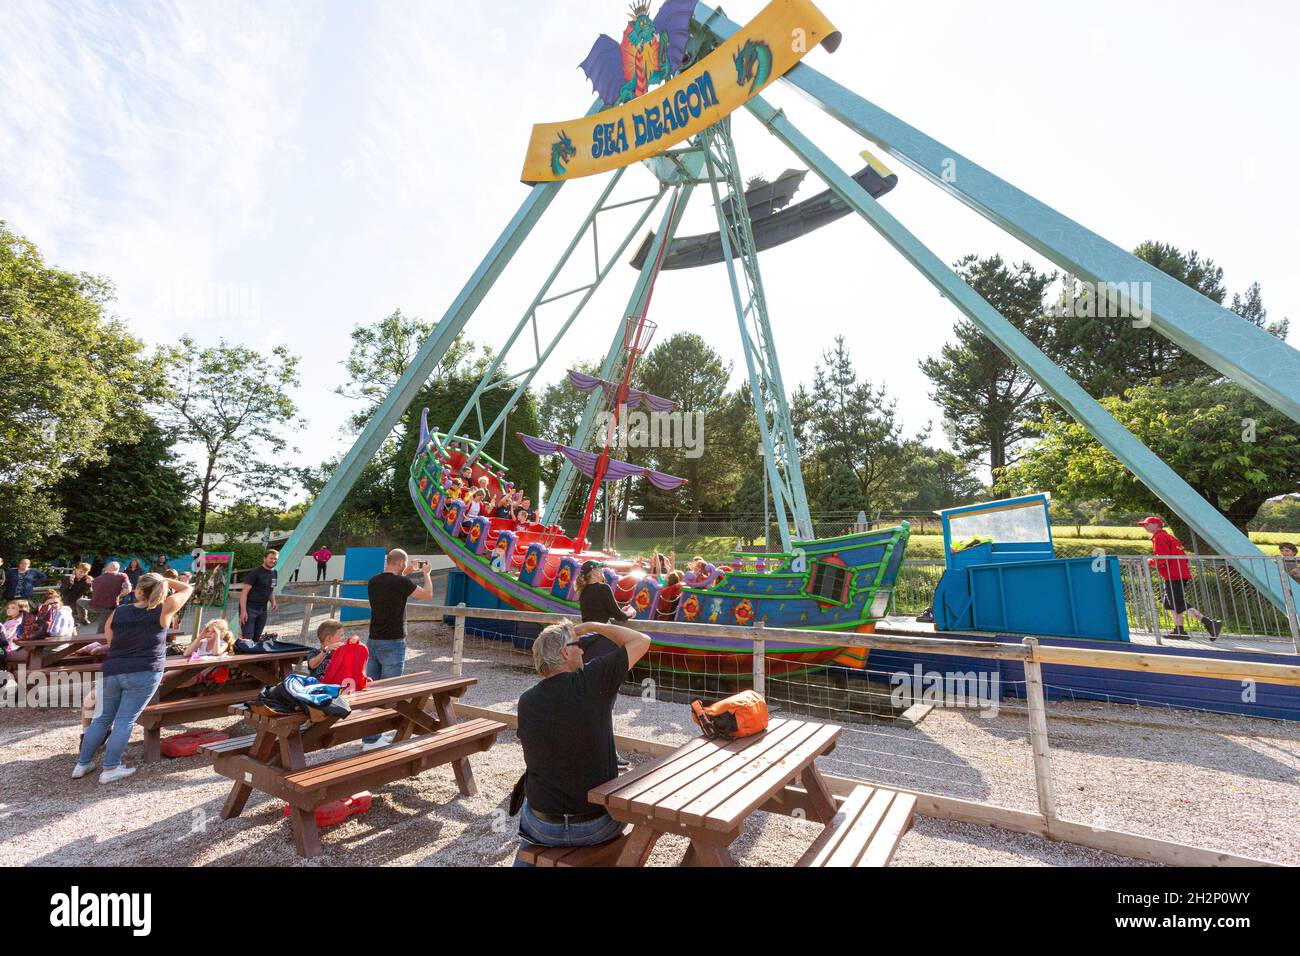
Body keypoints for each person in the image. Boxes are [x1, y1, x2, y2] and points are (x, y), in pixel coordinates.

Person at [514, 619, 650, 865]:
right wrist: (594, 626)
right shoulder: (593, 681)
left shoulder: (526, 701)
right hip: (596, 825)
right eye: (578, 644)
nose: (583, 650)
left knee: (528, 808)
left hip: (544, 826)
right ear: (565, 652)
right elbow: (641, 641)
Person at [72, 572, 193, 783]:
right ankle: (110, 768)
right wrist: (164, 580)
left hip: (114, 668)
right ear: (160, 590)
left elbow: (110, 637)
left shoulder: (120, 611)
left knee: (101, 718)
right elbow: (187, 588)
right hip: (145, 670)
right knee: (125, 720)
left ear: (138, 590)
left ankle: (82, 763)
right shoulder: (164, 609)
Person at [361, 549, 434, 749]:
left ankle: (371, 736)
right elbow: (427, 595)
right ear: (401, 562)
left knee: (371, 690)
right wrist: (426, 574)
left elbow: (391, 583)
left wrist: (405, 573)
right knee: (389, 692)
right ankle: (372, 739)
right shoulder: (401, 583)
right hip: (393, 642)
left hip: (373, 640)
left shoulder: (374, 581)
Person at [1137, 517, 1221, 640]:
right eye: (1144, 525)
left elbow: (1162, 558)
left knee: (1177, 603)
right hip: (1178, 573)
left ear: (1157, 525)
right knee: (1170, 603)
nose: (1145, 526)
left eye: (1148, 524)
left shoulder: (1159, 537)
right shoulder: (1170, 537)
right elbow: (1182, 557)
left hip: (1173, 574)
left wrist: (1147, 562)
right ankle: (1179, 630)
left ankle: (1209, 623)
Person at [239, 550, 280, 641]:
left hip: (263, 609)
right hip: (250, 608)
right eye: (271, 558)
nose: (273, 561)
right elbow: (244, 593)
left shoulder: (275, 573)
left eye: (275, 559)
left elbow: (271, 589)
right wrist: (243, 612)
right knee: (247, 639)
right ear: (264, 558)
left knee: (256, 638)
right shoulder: (255, 572)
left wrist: (273, 601)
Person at [88, 561, 131, 633]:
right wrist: (119, 596)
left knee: (79, 601)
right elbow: (128, 590)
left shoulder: (97, 579)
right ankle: (99, 643)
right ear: (118, 568)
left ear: (106, 569)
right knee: (102, 629)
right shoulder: (122, 575)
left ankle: (83, 619)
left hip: (94, 605)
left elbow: (92, 591)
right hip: (109, 606)